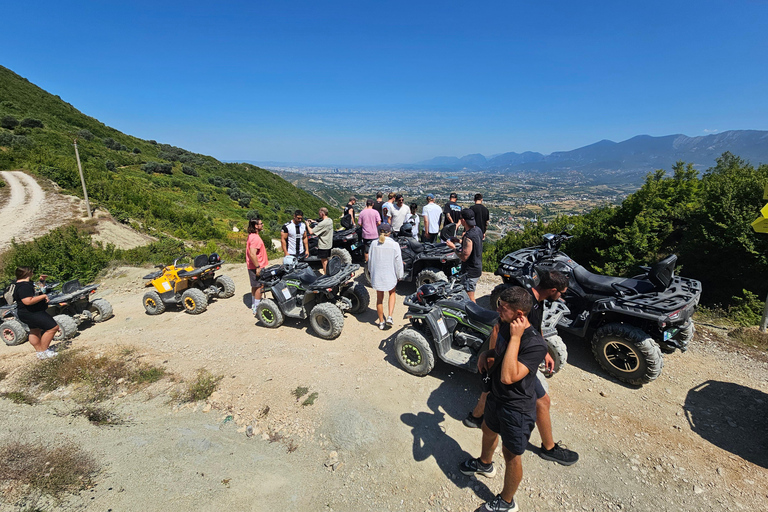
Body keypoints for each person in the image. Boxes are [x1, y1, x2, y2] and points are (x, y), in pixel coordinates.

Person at [465, 270, 579, 468]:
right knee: (538, 401)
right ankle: (548, 448)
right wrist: (492, 357)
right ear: (553, 290)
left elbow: (537, 326)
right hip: (514, 362)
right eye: (561, 292)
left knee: (538, 400)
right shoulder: (521, 303)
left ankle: (475, 417)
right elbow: (497, 328)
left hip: (519, 359)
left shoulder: (535, 301)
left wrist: (545, 352)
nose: (561, 295)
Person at [459, 286, 547, 512]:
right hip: (497, 397)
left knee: (511, 455)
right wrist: (485, 354)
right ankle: (484, 464)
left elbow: (509, 376)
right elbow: (499, 352)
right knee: (488, 431)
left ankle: (507, 502)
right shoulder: (506, 325)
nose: (498, 309)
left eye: (503, 308)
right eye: (499, 304)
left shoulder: (535, 343)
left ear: (520, 314)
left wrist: (516, 337)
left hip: (516, 406)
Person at [12, 267, 59, 359]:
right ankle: (44, 351)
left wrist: (42, 281)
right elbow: (27, 301)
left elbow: (37, 289)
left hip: (26, 313)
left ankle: (40, 353)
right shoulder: (24, 286)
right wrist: (44, 296)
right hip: (31, 312)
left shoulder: (20, 284)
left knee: (35, 331)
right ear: (28, 273)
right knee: (53, 327)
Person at [368, 223, 403, 330]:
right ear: (390, 232)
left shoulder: (373, 244)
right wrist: (400, 275)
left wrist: (371, 272)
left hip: (378, 275)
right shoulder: (395, 245)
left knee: (379, 298)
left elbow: (370, 261)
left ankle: (381, 322)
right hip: (390, 274)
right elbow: (398, 262)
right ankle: (390, 316)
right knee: (392, 293)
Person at [445, 209, 483, 302]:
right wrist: (458, 241)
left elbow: (464, 257)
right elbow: (472, 245)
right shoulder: (477, 230)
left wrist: (453, 247)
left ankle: (473, 315)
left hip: (470, 271)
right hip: (477, 267)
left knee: (469, 297)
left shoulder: (468, 236)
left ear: (463, 220)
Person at [246, 217, 269, 315]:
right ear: (256, 226)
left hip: (252, 265)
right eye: (261, 223)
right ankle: (257, 308)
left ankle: (254, 304)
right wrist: (258, 267)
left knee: (255, 286)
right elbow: (252, 253)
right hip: (257, 266)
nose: (262, 225)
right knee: (260, 286)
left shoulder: (251, 235)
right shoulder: (255, 238)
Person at [306, 207, 334, 274]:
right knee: (327, 260)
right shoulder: (330, 220)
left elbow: (311, 232)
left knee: (324, 262)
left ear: (322, 213)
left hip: (323, 245)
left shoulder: (322, 224)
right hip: (329, 244)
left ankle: (326, 275)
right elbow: (322, 224)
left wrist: (307, 224)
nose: (319, 215)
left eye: (319, 213)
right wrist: (314, 221)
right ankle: (329, 272)